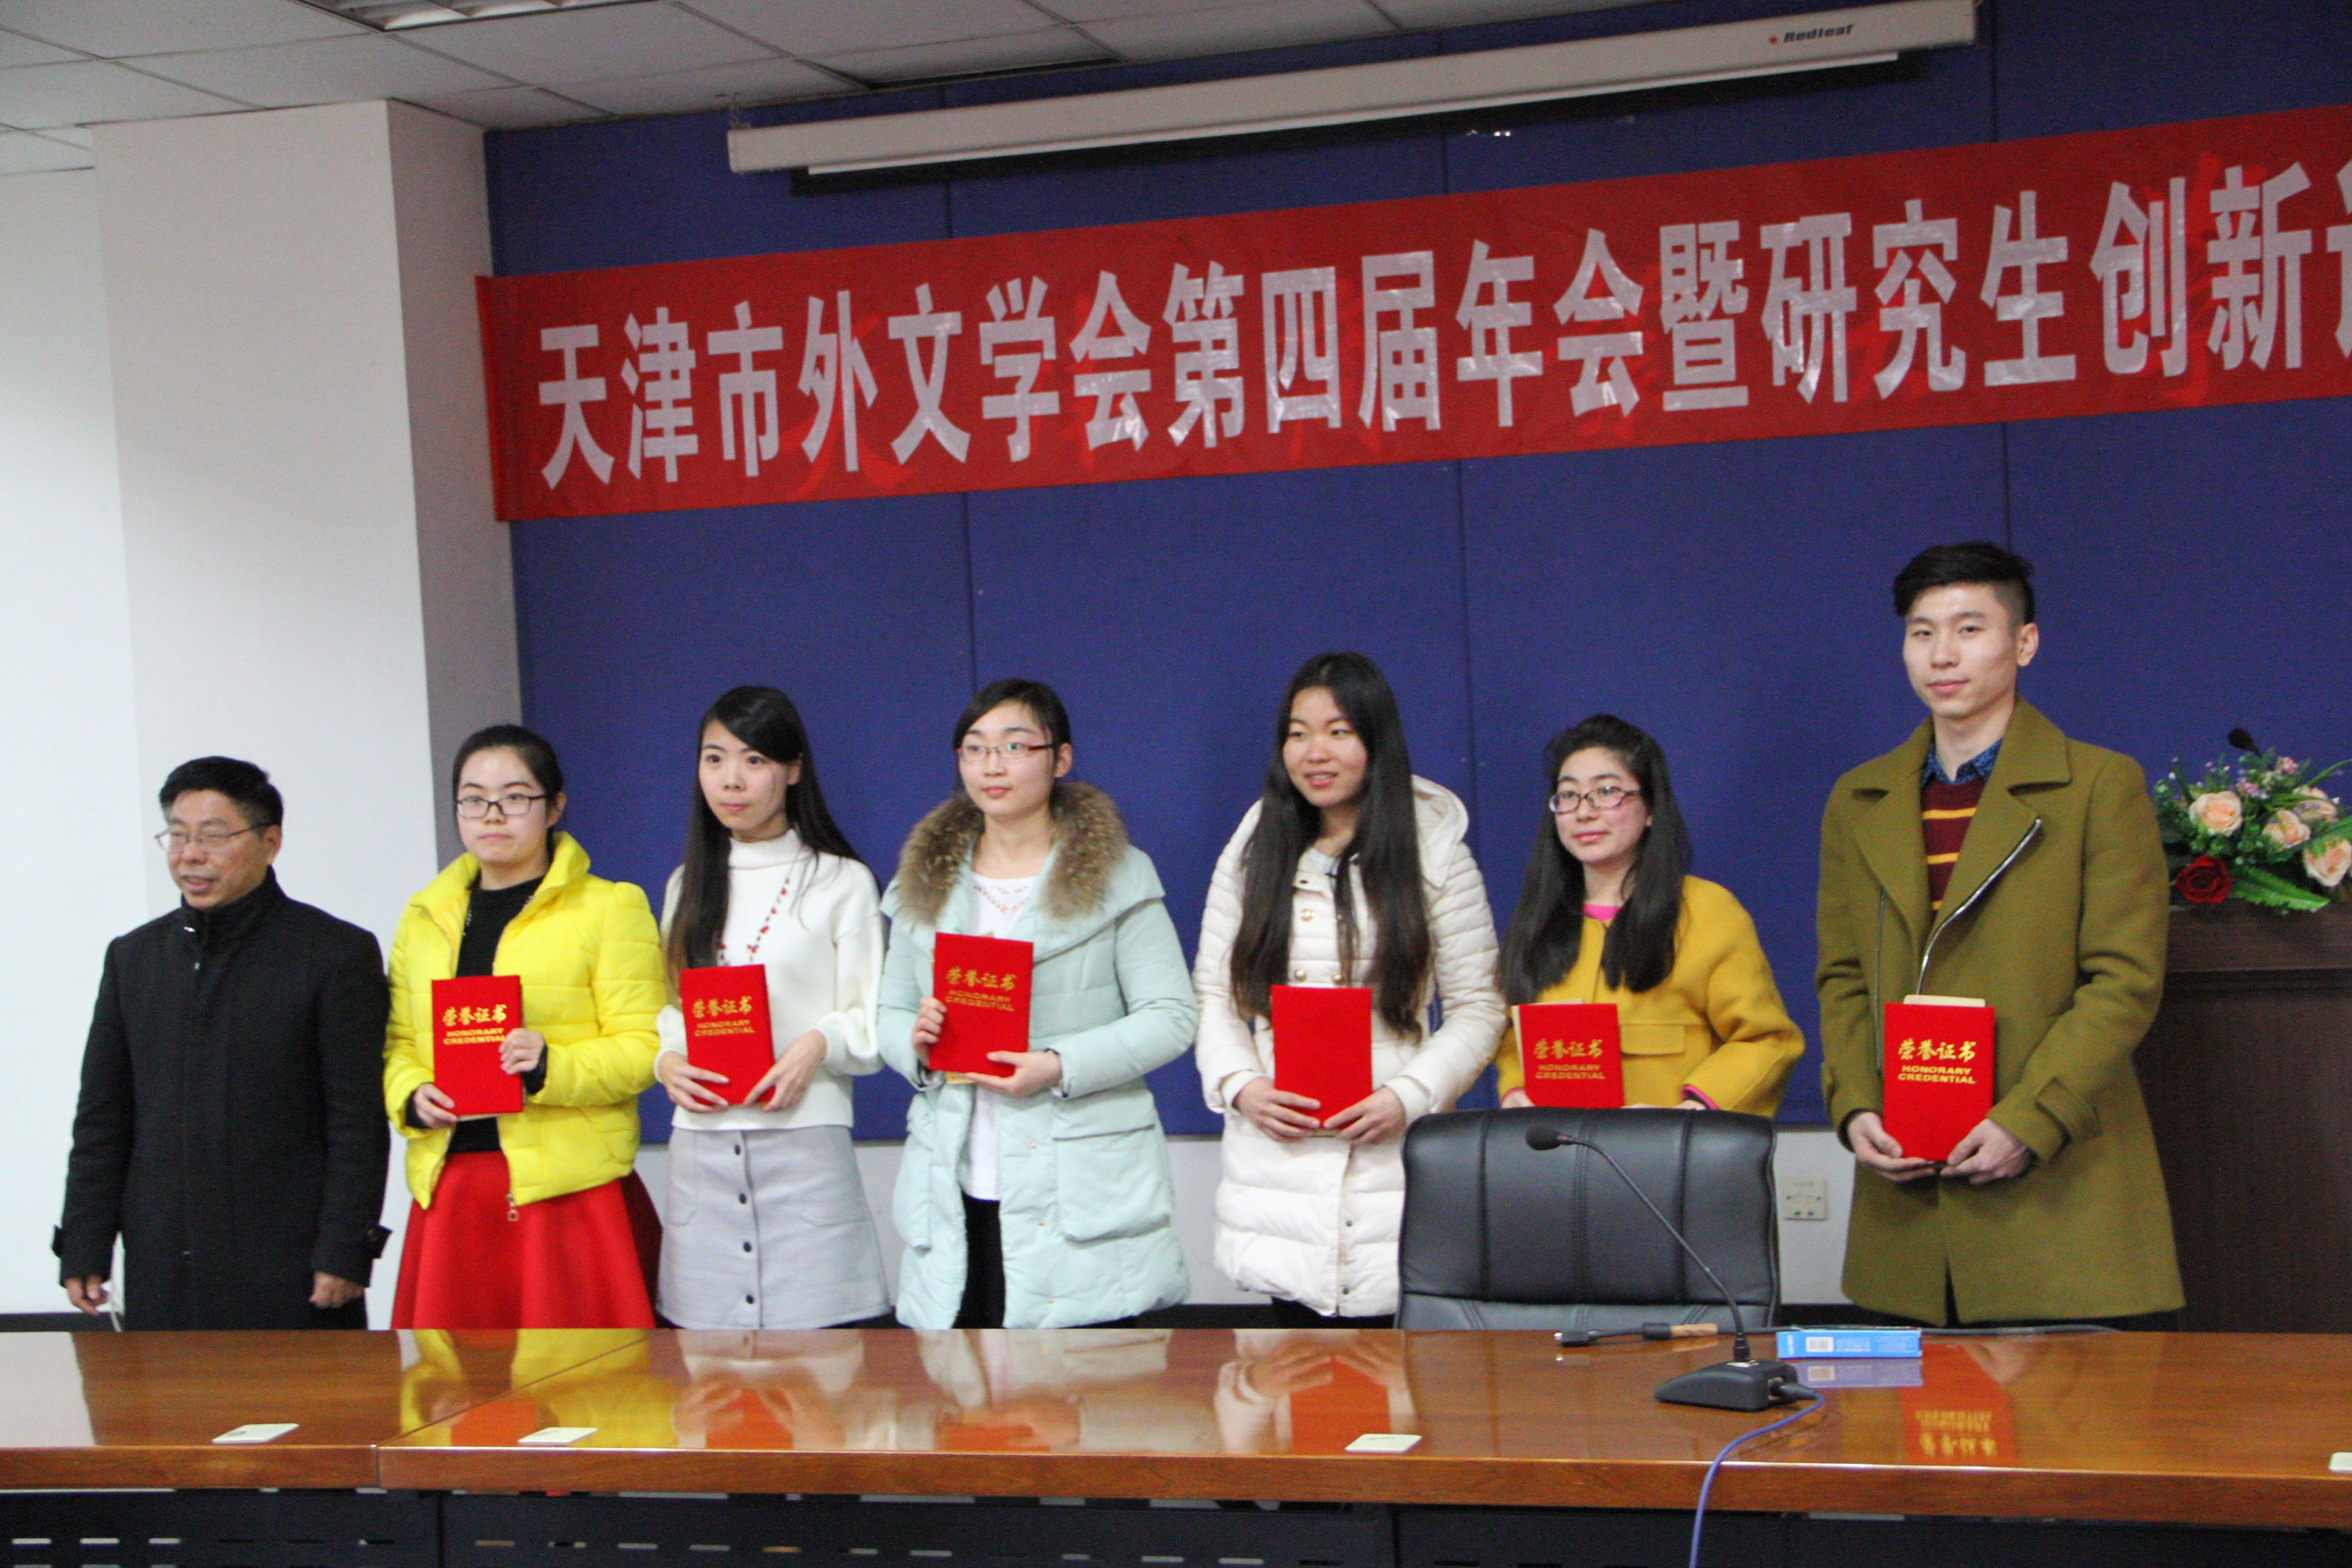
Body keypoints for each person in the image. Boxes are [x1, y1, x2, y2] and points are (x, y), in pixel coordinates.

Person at [1818, 541, 2182, 1327]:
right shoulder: (1859, 797)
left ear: (2024, 643)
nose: (1941, 655)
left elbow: (2123, 982)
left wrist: (2030, 1118)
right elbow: (1842, 976)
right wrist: (1854, 1106)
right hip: (1907, 1202)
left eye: (1968, 628)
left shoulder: (2096, 785)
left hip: (2055, 1191)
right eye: (1921, 633)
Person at [1195, 652, 1505, 1325]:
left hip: (1392, 1158)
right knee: (1293, 1377)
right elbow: (1215, 997)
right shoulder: (1253, 850)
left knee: (1396, 1376)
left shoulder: (1436, 852)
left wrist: (1409, 1096)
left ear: (1376, 740)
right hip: (1280, 1162)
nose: (1316, 752)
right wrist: (1241, 1087)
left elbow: (1480, 1008)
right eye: (1298, 733)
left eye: (1339, 732)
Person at [876, 678, 1196, 1329]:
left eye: (1016, 746)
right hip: (956, 1179)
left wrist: (1058, 1064)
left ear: (1061, 759)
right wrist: (917, 1041)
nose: (992, 766)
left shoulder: (1120, 874)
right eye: (975, 749)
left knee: (1087, 1383)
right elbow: (889, 1014)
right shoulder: (923, 882)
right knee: (966, 1382)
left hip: (1080, 1175)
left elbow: (1171, 1016)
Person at [56, 757, 389, 1329]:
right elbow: (103, 1116)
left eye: (212, 837)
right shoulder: (134, 959)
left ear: (271, 842)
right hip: (164, 1264)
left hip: (291, 1268)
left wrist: (344, 1250)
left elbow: (356, 1121)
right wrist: (85, 1241)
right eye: (177, 836)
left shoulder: (334, 954)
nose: (190, 855)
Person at [382, 723, 666, 1329]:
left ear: (554, 807)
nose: (492, 815)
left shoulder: (610, 906)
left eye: (515, 798)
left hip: (566, 1187)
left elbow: (646, 1047)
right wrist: (410, 1094)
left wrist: (549, 1065)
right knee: (454, 1378)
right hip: (454, 1181)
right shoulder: (423, 916)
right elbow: (399, 1043)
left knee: (584, 1375)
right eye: (473, 799)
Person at [652, 686, 892, 1330]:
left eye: (754, 760)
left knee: (825, 1369)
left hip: (802, 1144)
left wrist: (817, 1046)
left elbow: (872, 1019)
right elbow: (673, 1008)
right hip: (701, 1148)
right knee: (711, 1371)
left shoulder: (842, 881)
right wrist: (666, 1060)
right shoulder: (686, 883)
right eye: (714, 759)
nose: (731, 779)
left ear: (793, 770)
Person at [1494, 715, 1802, 1115]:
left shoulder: (1707, 911)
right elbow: (1511, 1038)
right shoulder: (1539, 917)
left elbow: (1768, 1040)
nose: (1584, 812)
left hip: (1672, 1147)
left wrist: (1692, 1112)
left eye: (1606, 792)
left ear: (1652, 807)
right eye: (1568, 796)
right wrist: (1515, 1088)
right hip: (1556, 1148)